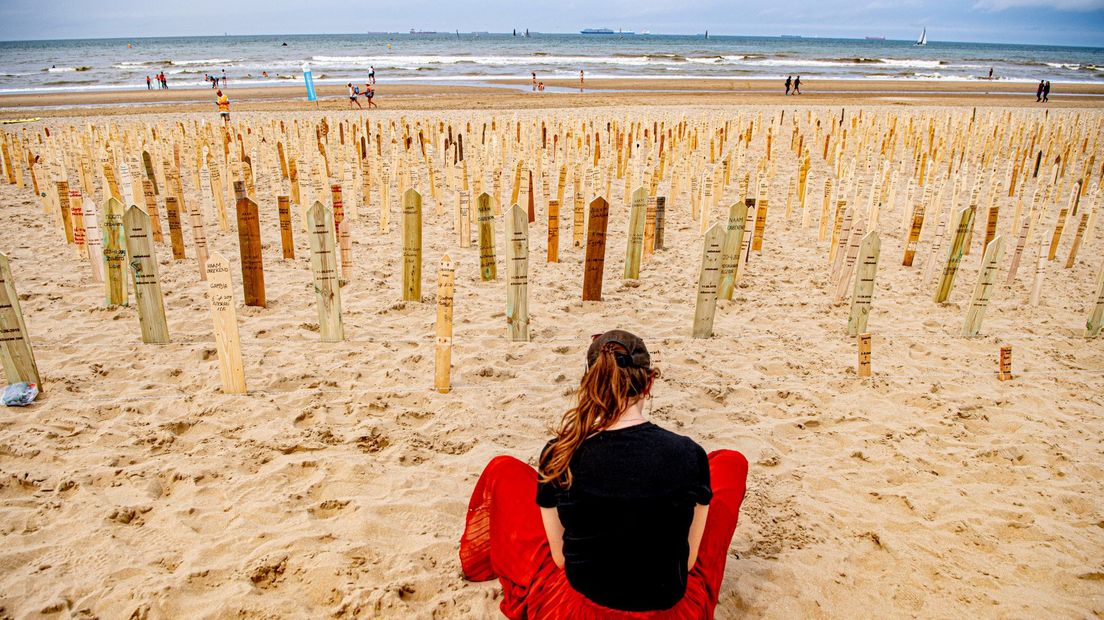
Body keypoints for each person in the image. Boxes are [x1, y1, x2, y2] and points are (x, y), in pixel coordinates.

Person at [460, 330, 749, 618]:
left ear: (588, 383)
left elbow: (561, 560)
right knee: (729, 464)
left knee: (506, 471)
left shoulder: (560, 453)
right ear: (648, 384)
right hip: (669, 609)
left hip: (581, 609)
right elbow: (688, 562)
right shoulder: (688, 453)